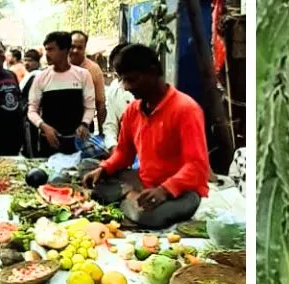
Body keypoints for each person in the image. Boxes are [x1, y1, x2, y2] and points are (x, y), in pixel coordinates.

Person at [83, 44, 208, 229]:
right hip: (144, 183)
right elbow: (124, 153)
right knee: (87, 169)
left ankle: (125, 198)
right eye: (123, 80)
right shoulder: (134, 110)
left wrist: (164, 190)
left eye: (132, 80)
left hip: (182, 192)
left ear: (152, 72)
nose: (126, 87)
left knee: (151, 217)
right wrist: (104, 169)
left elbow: (197, 167)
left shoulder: (186, 109)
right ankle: (128, 197)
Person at [26, 31, 95, 157]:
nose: (47, 54)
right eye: (46, 50)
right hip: (49, 142)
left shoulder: (83, 75)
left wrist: (84, 124)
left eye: (51, 49)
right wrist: (44, 126)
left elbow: (90, 107)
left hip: (77, 142)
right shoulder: (41, 77)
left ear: (65, 50)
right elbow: (32, 110)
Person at [70, 30, 106, 129]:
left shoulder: (94, 70)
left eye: (79, 47)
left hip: (85, 127)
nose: (75, 51)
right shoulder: (58, 68)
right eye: (72, 46)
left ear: (85, 48)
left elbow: (100, 103)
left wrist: (102, 134)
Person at [101, 43, 131, 149]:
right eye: (120, 75)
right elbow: (110, 126)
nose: (126, 86)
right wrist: (113, 147)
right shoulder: (114, 90)